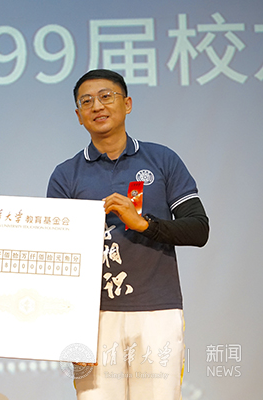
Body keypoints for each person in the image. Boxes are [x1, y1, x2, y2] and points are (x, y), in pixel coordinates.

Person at [47, 69, 209, 400]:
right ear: (78, 115)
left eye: (106, 96)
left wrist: (144, 224)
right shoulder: (65, 175)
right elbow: (58, 256)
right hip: (93, 317)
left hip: (157, 310)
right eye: (86, 101)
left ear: (128, 104)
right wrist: (70, 329)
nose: (97, 106)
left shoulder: (162, 159)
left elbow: (198, 228)